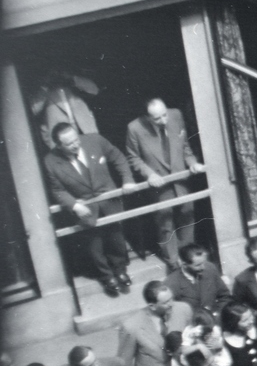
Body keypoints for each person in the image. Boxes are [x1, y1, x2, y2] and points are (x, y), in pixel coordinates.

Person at [42, 122, 139, 297]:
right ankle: (106, 276)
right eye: (69, 144)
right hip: (85, 208)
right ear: (58, 145)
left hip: (109, 201)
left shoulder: (95, 140)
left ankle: (120, 270)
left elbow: (118, 157)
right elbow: (57, 190)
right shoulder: (50, 161)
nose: (75, 145)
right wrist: (74, 205)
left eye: (76, 139)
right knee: (95, 245)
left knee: (116, 237)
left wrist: (127, 179)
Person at [124, 97, 206, 272]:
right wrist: (149, 174)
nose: (163, 120)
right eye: (157, 118)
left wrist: (192, 162)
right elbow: (133, 157)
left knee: (187, 212)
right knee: (165, 220)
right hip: (158, 183)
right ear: (147, 117)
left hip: (180, 176)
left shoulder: (175, 114)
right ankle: (174, 262)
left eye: (164, 115)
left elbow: (184, 145)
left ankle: (188, 256)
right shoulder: (134, 128)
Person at [119, 282, 195, 366]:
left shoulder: (183, 309)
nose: (171, 304)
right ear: (152, 306)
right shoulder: (131, 326)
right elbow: (124, 364)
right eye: (165, 302)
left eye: (171, 299)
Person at [164, 243, 228, 315]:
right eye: (198, 265)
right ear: (185, 265)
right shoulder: (172, 283)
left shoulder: (210, 268)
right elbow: (171, 312)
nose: (203, 267)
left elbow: (224, 296)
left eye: (204, 262)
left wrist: (217, 314)